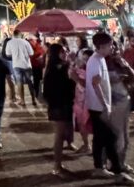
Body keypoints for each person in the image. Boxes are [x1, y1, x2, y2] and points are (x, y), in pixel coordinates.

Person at [85, 32, 134, 185]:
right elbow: (96, 84)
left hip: (98, 106)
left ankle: (100, 168)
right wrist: (105, 105)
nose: (112, 47)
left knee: (101, 138)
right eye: (110, 45)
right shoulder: (96, 61)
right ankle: (118, 172)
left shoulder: (98, 59)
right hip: (99, 107)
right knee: (111, 138)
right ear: (101, 46)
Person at [43, 43, 76, 177]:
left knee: (64, 133)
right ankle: (57, 166)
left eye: (65, 51)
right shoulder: (57, 67)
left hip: (63, 104)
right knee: (59, 135)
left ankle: (58, 164)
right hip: (59, 105)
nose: (65, 53)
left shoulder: (58, 66)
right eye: (62, 51)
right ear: (56, 53)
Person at [107, 44, 134, 174]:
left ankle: (122, 162)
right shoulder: (102, 63)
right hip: (111, 103)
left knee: (125, 135)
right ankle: (113, 164)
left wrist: (125, 66)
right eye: (111, 48)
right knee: (116, 135)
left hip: (125, 101)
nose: (114, 50)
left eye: (115, 48)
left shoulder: (121, 63)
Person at [6, 30, 37, 107]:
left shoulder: (9, 43)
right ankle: (33, 99)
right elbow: (32, 53)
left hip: (16, 65)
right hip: (26, 65)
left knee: (19, 83)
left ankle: (22, 101)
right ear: (20, 34)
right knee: (30, 82)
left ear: (14, 34)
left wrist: (15, 55)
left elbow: (8, 54)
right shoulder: (25, 42)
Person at [70, 48, 93, 153]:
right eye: (83, 59)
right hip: (79, 100)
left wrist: (76, 78)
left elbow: (86, 84)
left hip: (88, 100)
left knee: (88, 123)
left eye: (87, 59)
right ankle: (86, 145)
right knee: (81, 123)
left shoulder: (93, 69)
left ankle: (92, 146)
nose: (85, 61)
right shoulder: (80, 67)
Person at [0, 33, 18, 103]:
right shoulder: (8, 52)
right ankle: (12, 96)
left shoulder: (3, 53)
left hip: (6, 64)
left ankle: (11, 96)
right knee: (11, 82)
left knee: (9, 82)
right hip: (9, 65)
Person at [29, 33, 46, 99]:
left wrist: (42, 55)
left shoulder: (39, 44)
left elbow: (42, 52)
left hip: (40, 65)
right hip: (34, 65)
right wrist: (38, 54)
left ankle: (38, 92)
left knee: (39, 79)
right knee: (36, 80)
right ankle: (36, 93)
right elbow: (31, 54)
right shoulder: (31, 43)